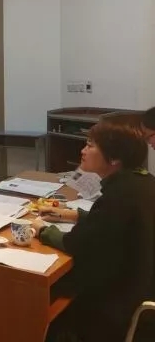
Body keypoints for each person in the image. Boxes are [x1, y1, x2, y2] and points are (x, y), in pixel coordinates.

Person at [31, 115, 155, 342]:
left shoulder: (119, 195)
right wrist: (73, 214)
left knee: (49, 294)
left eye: (90, 145)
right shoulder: (142, 182)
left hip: (117, 304)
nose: (83, 151)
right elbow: (114, 223)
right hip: (141, 286)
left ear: (114, 158)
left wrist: (42, 230)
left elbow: (77, 243)